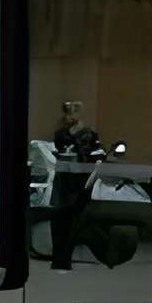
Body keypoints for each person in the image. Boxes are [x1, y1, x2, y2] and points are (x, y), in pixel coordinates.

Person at [45, 100, 101, 271]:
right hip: (64, 182)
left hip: (79, 183)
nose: (69, 115)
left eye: (73, 111)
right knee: (60, 222)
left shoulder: (89, 134)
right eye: (68, 111)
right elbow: (58, 149)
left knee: (71, 222)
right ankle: (59, 258)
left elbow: (94, 156)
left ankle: (64, 258)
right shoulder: (61, 134)